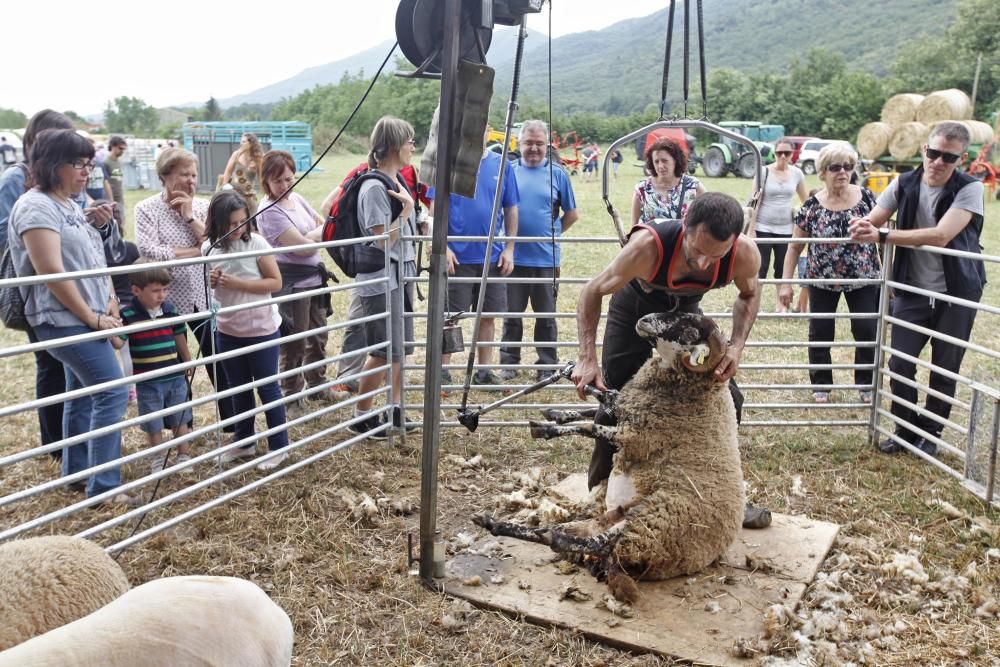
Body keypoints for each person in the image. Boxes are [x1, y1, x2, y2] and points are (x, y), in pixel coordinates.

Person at [572, 193, 762, 514]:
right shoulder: (647, 247)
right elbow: (592, 290)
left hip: (685, 316)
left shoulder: (744, 254)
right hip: (632, 311)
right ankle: (601, 495)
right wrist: (587, 357)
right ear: (685, 224)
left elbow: (749, 294)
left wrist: (736, 346)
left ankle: (710, 491)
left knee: (727, 397)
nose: (703, 263)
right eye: (698, 251)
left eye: (716, 256)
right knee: (614, 399)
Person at [6, 128, 132, 504]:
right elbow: (51, 271)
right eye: (76, 164)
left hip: (85, 313)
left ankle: (77, 473)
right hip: (60, 318)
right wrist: (92, 318)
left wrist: (108, 299)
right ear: (51, 165)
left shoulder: (70, 205)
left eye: (88, 164)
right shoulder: (35, 206)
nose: (85, 172)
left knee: (81, 392)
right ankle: (104, 487)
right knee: (111, 390)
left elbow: (92, 260)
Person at [849, 121, 986, 457]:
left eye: (948, 157)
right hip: (911, 289)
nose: (938, 162)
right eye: (934, 152)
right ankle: (905, 430)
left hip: (956, 293)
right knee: (900, 363)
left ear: (961, 159)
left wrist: (881, 236)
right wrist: (862, 225)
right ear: (924, 150)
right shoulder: (904, 183)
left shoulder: (970, 188)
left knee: (944, 365)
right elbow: (875, 219)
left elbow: (941, 235)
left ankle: (932, 434)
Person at [1, 110, 83, 461]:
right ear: (37, 142)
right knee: (50, 364)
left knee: (70, 367)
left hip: (71, 281)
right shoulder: (15, 181)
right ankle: (57, 446)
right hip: (38, 286)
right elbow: (9, 231)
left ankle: (73, 443)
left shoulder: (60, 181)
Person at [135, 147, 235, 432]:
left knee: (219, 359)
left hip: (204, 297)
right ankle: (183, 428)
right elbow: (149, 252)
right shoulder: (146, 209)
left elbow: (215, 244)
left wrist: (190, 217)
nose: (191, 181)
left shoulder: (203, 207)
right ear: (165, 176)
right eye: (184, 175)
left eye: (194, 175)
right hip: (166, 300)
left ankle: (232, 422)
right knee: (176, 364)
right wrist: (196, 251)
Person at [778, 144, 880, 404]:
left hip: (864, 278)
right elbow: (794, 247)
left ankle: (866, 384)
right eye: (835, 167)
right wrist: (786, 284)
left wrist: (889, 278)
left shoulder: (868, 198)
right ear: (823, 172)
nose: (843, 172)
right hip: (822, 279)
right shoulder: (811, 205)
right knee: (821, 330)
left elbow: (885, 239)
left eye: (848, 166)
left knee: (866, 329)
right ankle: (821, 384)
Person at [202, 191, 289, 470]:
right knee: (237, 388)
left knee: (267, 387)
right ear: (217, 222)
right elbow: (213, 286)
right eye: (231, 223)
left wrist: (238, 283)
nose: (239, 228)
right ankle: (244, 440)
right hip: (227, 329)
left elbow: (275, 282)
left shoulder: (257, 243)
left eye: (243, 221)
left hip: (260, 329)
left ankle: (280, 446)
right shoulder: (209, 248)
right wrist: (213, 280)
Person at [347, 116, 419, 437]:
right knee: (382, 350)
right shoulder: (375, 187)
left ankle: (395, 410)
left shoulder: (396, 182)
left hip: (399, 277)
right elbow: (380, 240)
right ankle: (361, 416)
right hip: (381, 280)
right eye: (408, 141)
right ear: (392, 147)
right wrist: (405, 213)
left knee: (398, 349)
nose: (412, 147)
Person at [428, 132, 519, 386]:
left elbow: (511, 208)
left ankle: (484, 372)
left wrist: (510, 248)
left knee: (488, 315)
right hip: (457, 256)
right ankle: (443, 371)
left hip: (492, 256)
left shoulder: (502, 165)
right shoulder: (448, 163)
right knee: (450, 315)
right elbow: (435, 209)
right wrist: (443, 246)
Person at [255, 150, 341, 411]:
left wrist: (311, 235)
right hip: (291, 282)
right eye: (278, 180)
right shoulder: (268, 210)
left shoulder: (298, 199)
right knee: (295, 340)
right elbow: (303, 248)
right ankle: (292, 396)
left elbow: (322, 226)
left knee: (317, 335)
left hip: (314, 278)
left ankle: (317, 385)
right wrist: (315, 236)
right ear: (266, 181)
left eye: (289, 179)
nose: (284, 185)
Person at [499, 120, 578, 382]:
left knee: (546, 315)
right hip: (512, 258)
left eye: (539, 143)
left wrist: (551, 235)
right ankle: (508, 361)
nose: (534, 148)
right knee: (512, 314)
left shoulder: (558, 174)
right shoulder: (508, 171)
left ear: (547, 145)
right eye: (528, 143)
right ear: (519, 144)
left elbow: (572, 214)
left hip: (546, 259)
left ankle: (546, 364)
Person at [114, 265, 194, 474]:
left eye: (165, 290)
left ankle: (183, 454)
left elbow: (179, 336)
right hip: (148, 380)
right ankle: (159, 458)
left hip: (174, 375)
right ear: (136, 290)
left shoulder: (170, 310)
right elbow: (118, 343)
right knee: (153, 421)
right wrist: (110, 326)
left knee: (180, 416)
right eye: (156, 290)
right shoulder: (128, 315)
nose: (162, 295)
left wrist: (187, 361)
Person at [750, 138, 808, 312]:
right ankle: (755, 306)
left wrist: (799, 215)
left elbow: (806, 201)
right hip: (763, 226)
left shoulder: (797, 174)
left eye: (787, 153)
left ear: (793, 154)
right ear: (774, 153)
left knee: (782, 268)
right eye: (779, 152)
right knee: (760, 267)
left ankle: (781, 305)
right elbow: (755, 201)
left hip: (786, 228)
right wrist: (751, 229)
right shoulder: (763, 171)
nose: (782, 156)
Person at [631, 136, 705, 226]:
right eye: (656, 162)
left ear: (675, 160)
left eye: (664, 161)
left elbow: (707, 221)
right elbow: (634, 226)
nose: (660, 166)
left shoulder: (694, 187)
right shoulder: (642, 189)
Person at [220, 133, 264, 212]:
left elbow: (261, 177)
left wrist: (265, 193)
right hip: (234, 193)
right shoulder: (236, 154)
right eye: (241, 141)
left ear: (251, 143)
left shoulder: (258, 158)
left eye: (244, 142)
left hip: (248, 194)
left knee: (252, 215)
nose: (241, 144)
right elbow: (228, 171)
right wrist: (224, 186)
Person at [102, 136, 128, 228]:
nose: (122, 151)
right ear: (113, 146)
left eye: (124, 149)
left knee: (121, 225)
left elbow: (118, 181)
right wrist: (110, 199)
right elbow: (105, 183)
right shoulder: (105, 162)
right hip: (110, 199)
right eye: (120, 148)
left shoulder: (119, 162)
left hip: (119, 197)